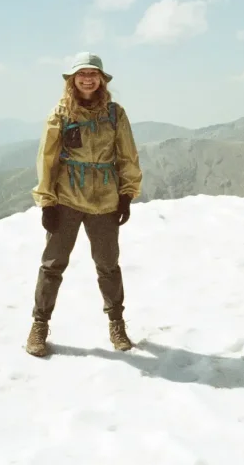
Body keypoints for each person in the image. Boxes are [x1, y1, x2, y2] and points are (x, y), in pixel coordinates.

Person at [25, 51, 143, 357]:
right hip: (66, 199)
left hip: (105, 200)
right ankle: (39, 325)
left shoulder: (116, 114)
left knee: (108, 266)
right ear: (72, 79)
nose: (88, 79)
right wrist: (47, 201)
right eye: (82, 74)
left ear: (101, 80)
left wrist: (127, 194)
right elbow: (47, 158)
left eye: (93, 74)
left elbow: (127, 155)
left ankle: (116, 323)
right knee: (52, 265)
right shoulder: (60, 114)